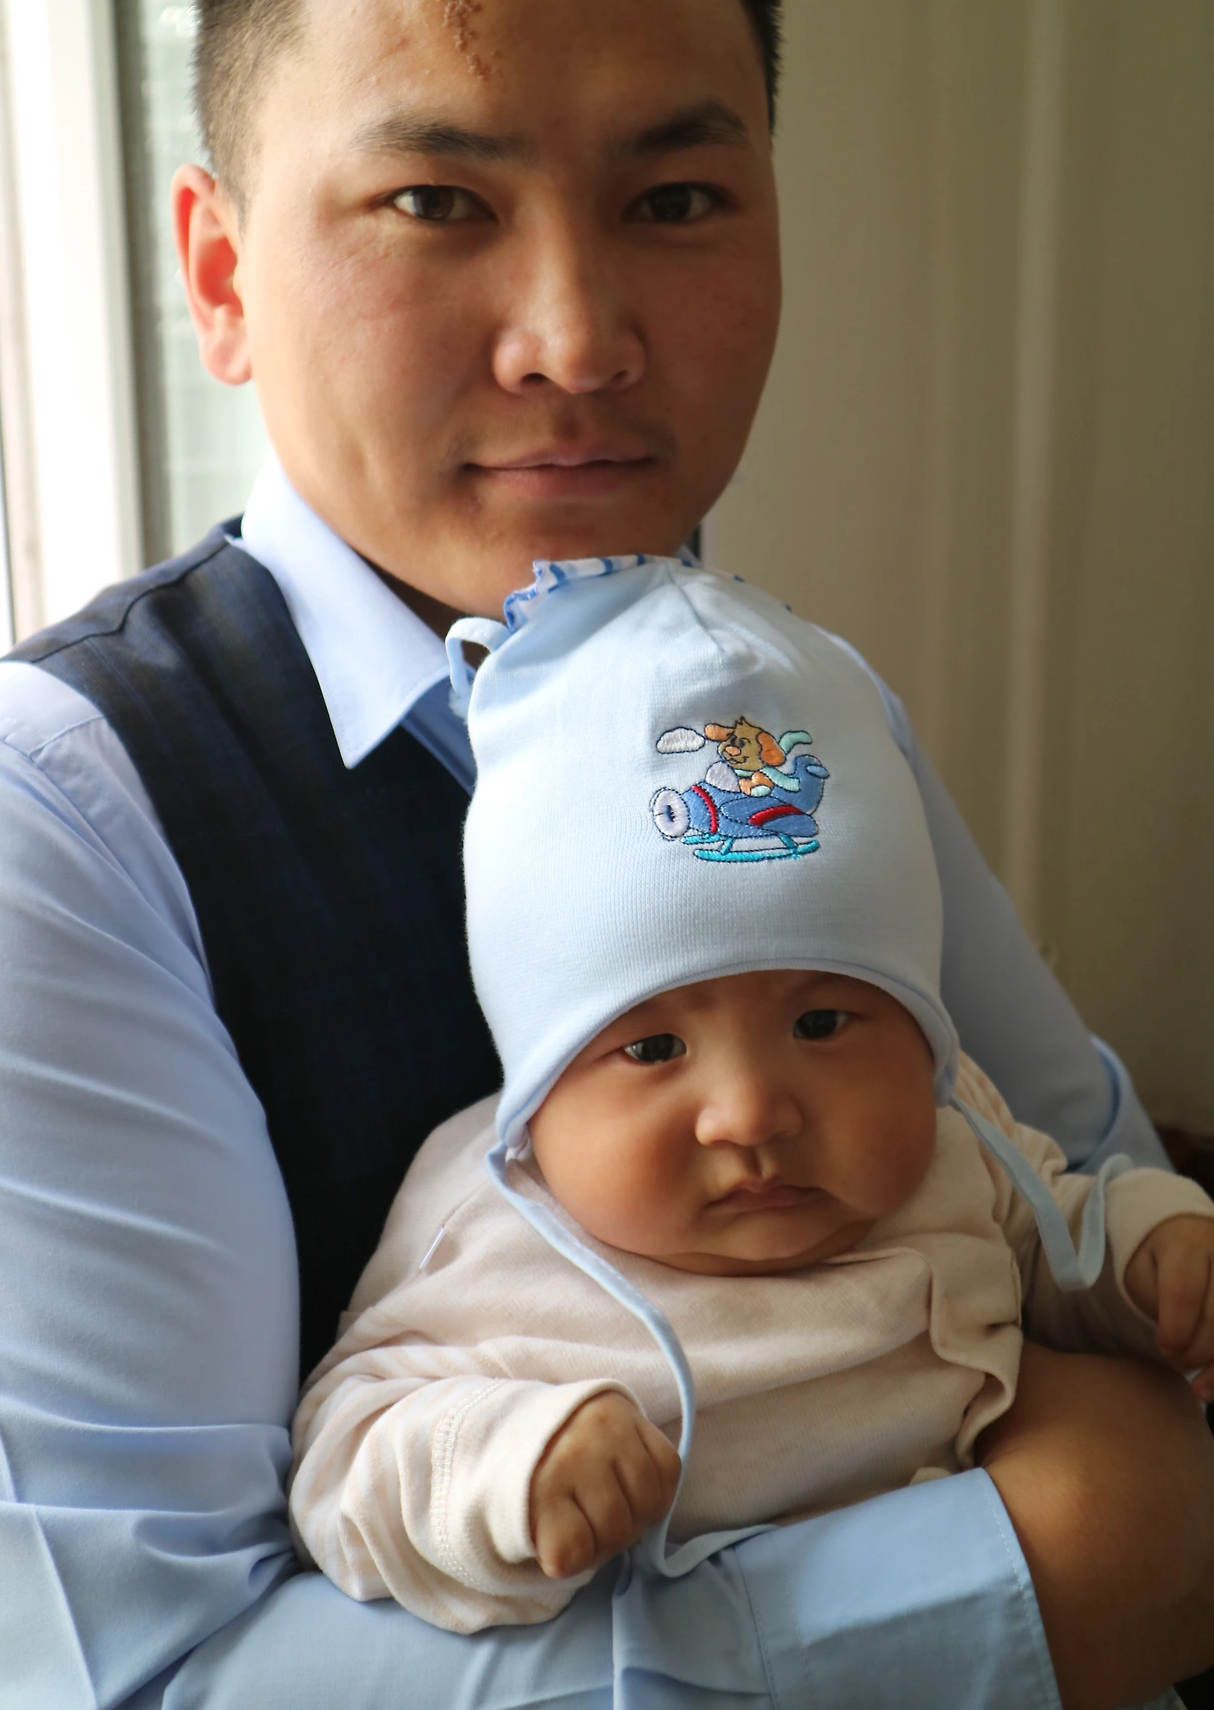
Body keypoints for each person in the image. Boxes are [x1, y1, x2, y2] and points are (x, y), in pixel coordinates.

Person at [0, 0, 1213, 1707]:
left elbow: (1082, 1191)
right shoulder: (42, 833)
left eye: (675, 199)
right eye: (436, 203)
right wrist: (1045, 1573)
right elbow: (125, 1677)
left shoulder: (806, 710)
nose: (578, 339)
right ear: (218, 275)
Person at [287, 556, 1214, 1637]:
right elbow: (342, 1452)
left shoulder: (956, 1135)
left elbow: (1060, 1243)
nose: (751, 1113)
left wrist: (1151, 1251)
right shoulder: (492, 1227)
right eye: (652, 1047)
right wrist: (503, 1464)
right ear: (537, 1085)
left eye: (822, 1024)